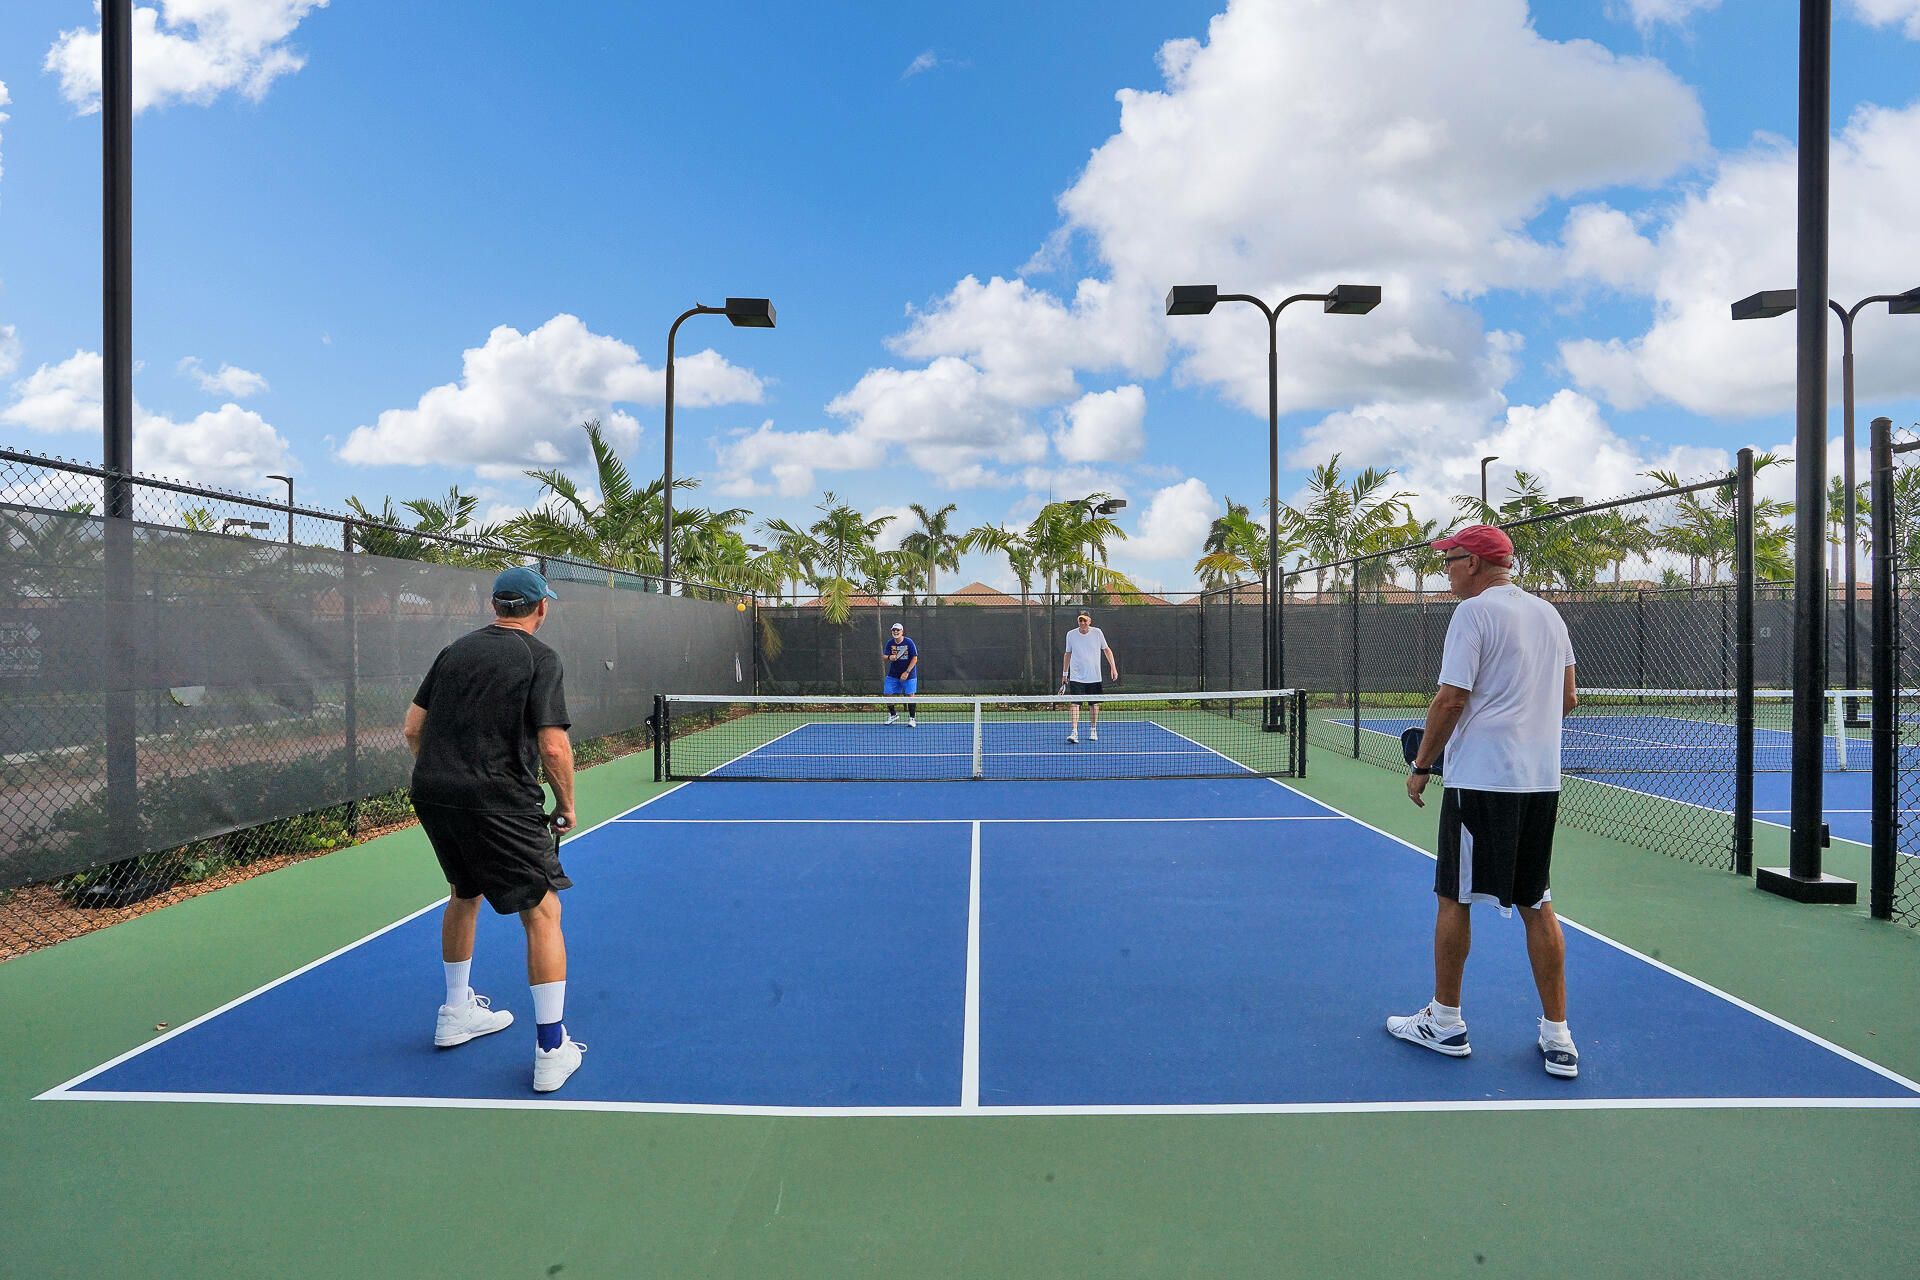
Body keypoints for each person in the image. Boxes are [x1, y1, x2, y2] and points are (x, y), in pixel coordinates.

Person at [1391, 524, 1581, 1080]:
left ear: (1473, 562)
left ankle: (1445, 1023)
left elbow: (1451, 699)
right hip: (1539, 784)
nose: (1446, 570)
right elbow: (1568, 697)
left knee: (1454, 897)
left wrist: (1421, 765)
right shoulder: (1550, 615)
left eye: (1449, 560)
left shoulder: (1472, 614)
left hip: (1480, 784)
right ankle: (1558, 1037)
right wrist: (1524, 735)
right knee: (1537, 902)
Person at [403, 565, 587, 1094]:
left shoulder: (454, 652)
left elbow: (413, 728)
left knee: (464, 892)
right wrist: (566, 803)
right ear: (540, 608)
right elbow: (553, 746)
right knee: (543, 911)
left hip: (433, 792)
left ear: (495, 606)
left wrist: (447, 776)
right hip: (499, 801)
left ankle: (455, 1012)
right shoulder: (540, 658)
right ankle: (551, 1049)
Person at [1061, 611, 1118, 743]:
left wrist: (1113, 668)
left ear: (1090, 621)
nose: (1082, 623)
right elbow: (1067, 654)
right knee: (1075, 704)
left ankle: (1093, 730)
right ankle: (1074, 732)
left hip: (1094, 676)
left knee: (1094, 704)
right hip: (1076, 676)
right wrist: (1065, 674)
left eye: (1084, 620)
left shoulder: (1097, 633)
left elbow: (1107, 650)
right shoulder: (1070, 634)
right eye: (1080, 620)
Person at [883, 622, 919, 725]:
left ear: (902, 632)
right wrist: (890, 657)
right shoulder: (890, 643)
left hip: (909, 674)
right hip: (893, 675)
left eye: (898, 630)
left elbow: (915, 658)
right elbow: (884, 656)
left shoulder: (909, 642)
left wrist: (907, 672)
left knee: (910, 695)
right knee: (887, 693)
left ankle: (912, 719)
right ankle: (893, 715)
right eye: (894, 630)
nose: (895, 632)